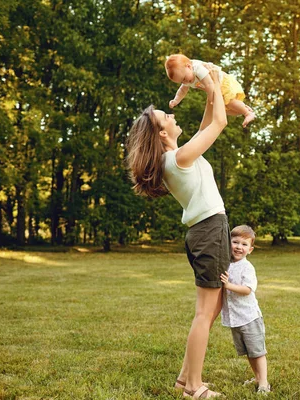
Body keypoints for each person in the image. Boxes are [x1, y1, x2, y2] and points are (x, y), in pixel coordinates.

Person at [126, 68, 227, 399]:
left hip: (207, 230)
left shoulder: (178, 156)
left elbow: (206, 124)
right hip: (208, 231)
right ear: (160, 133)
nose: (171, 114)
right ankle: (194, 387)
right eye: (165, 116)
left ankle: (185, 378)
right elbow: (219, 124)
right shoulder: (179, 158)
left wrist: (213, 91)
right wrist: (212, 85)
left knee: (212, 308)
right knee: (204, 312)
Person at [220, 225, 271, 394]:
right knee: (249, 352)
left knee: (257, 351)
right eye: (235, 242)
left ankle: (263, 383)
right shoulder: (227, 263)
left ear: (250, 249)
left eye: (244, 244)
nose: (238, 247)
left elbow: (248, 289)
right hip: (235, 318)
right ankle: (256, 377)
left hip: (249, 317)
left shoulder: (246, 267)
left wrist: (228, 285)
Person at [165, 54, 255, 128]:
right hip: (216, 88)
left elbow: (209, 84)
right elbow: (182, 90)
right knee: (224, 110)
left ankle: (248, 113)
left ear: (189, 66)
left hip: (222, 82)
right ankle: (242, 109)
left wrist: (212, 99)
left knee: (229, 102)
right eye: (181, 81)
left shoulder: (197, 68)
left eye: (184, 78)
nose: (185, 82)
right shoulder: (186, 76)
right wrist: (176, 100)